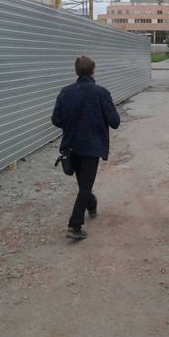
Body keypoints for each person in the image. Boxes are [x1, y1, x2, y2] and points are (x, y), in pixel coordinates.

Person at [51, 56, 120, 240]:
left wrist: (72, 124)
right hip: (92, 146)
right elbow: (115, 122)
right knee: (85, 185)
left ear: (76, 71)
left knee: (83, 184)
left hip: (71, 145)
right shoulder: (101, 93)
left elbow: (56, 119)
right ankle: (74, 225)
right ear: (93, 71)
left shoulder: (65, 92)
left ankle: (91, 203)